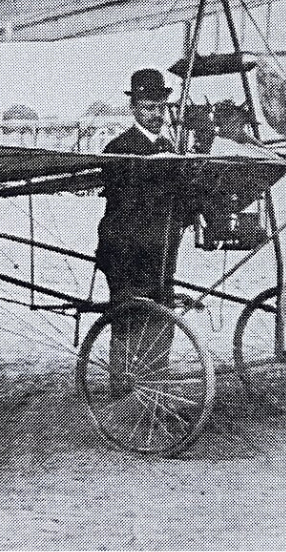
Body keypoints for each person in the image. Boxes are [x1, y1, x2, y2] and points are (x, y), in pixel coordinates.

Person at [96, 69, 199, 392]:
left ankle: (153, 386)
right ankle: (122, 390)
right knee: (127, 316)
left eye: (160, 107)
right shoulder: (119, 148)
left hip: (161, 247)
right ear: (134, 109)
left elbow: (181, 199)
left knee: (161, 315)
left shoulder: (169, 146)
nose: (156, 115)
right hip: (125, 249)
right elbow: (124, 203)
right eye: (148, 108)